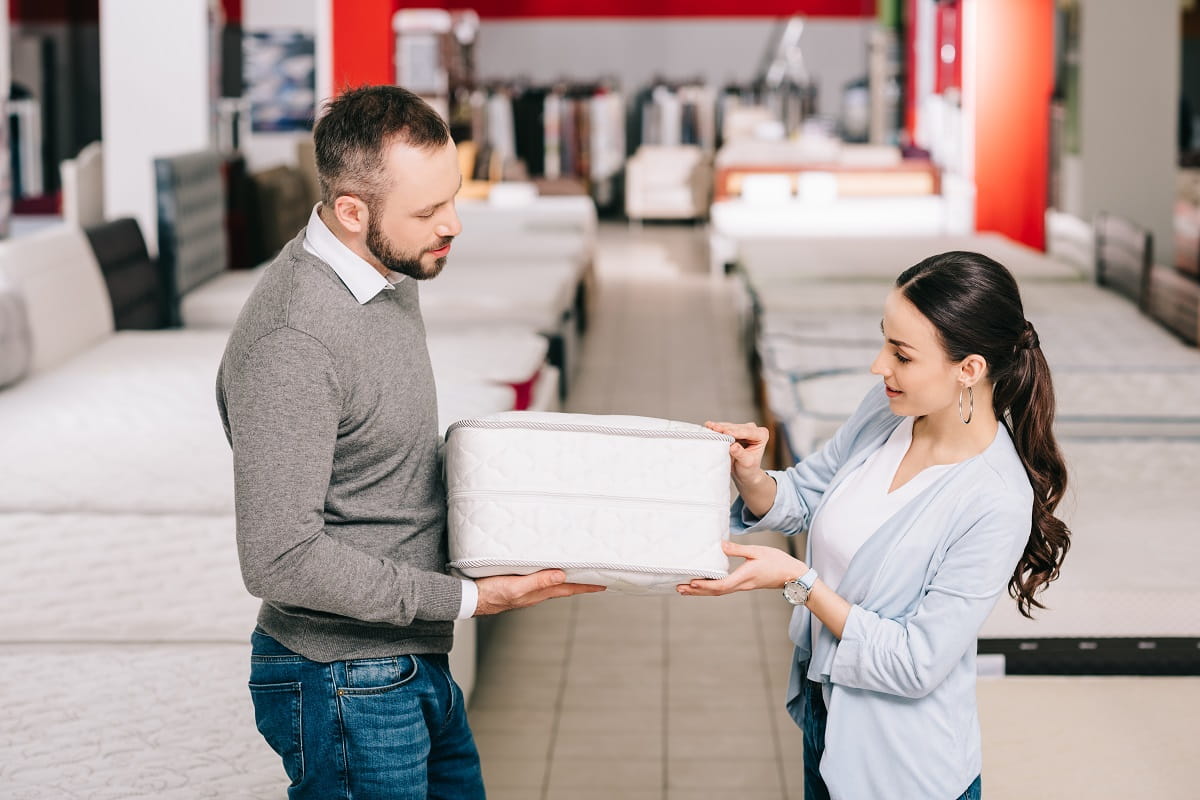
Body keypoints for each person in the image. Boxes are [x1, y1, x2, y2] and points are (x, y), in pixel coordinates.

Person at [216, 85, 603, 800]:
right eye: (428, 212)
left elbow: (382, 465)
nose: (452, 224)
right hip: (343, 678)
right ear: (351, 212)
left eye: (452, 197)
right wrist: (465, 601)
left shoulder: (386, 274)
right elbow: (278, 558)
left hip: (406, 656)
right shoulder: (294, 341)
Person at [679, 251, 1071, 800]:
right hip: (828, 715)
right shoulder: (889, 409)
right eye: (884, 340)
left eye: (901, 354)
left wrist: (800, 583)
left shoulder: (995, 500)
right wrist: (752, 475)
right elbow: (809, 492)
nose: (878, 366)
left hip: (903, 766)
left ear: (970, 369)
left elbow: (916, 663)